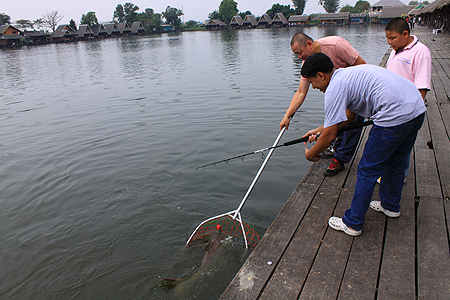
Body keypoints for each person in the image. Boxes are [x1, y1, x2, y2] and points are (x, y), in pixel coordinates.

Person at [301, 53, 426, 236]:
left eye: (312, 82)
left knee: (367, 170)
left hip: (394, 117)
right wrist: (322, 128)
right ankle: (390, 206)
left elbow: (330, 136)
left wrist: (311, 154)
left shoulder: (334, 88)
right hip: (416, 110)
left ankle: (353, 223)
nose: (313, 87)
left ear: (321, 75)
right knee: (396, 163)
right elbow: (349, 118)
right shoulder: (347, 75)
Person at [280, 33, 367, 177]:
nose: (299, 57)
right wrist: (287, 116)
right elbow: (301, 92)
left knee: (350, 122)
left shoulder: (337, 45)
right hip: (337, 91)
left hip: (354, 90)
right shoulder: (307, 65)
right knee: (340, 121)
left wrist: (311, 153)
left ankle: (340, 158)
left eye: (299, 53)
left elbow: (362, 67)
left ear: (309, 44)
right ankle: (335, 146)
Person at [376, 17, 431, 185]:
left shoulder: (421, 52)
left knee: (402, 148)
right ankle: (391, 175)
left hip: (407, 110)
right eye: (387, 38)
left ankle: (400, 176)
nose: (389, 42)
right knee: (392, 146)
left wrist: (411, 114)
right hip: (391, 108)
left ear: (405, 34)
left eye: (392, 38)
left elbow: (422, 87)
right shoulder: (396, 50)